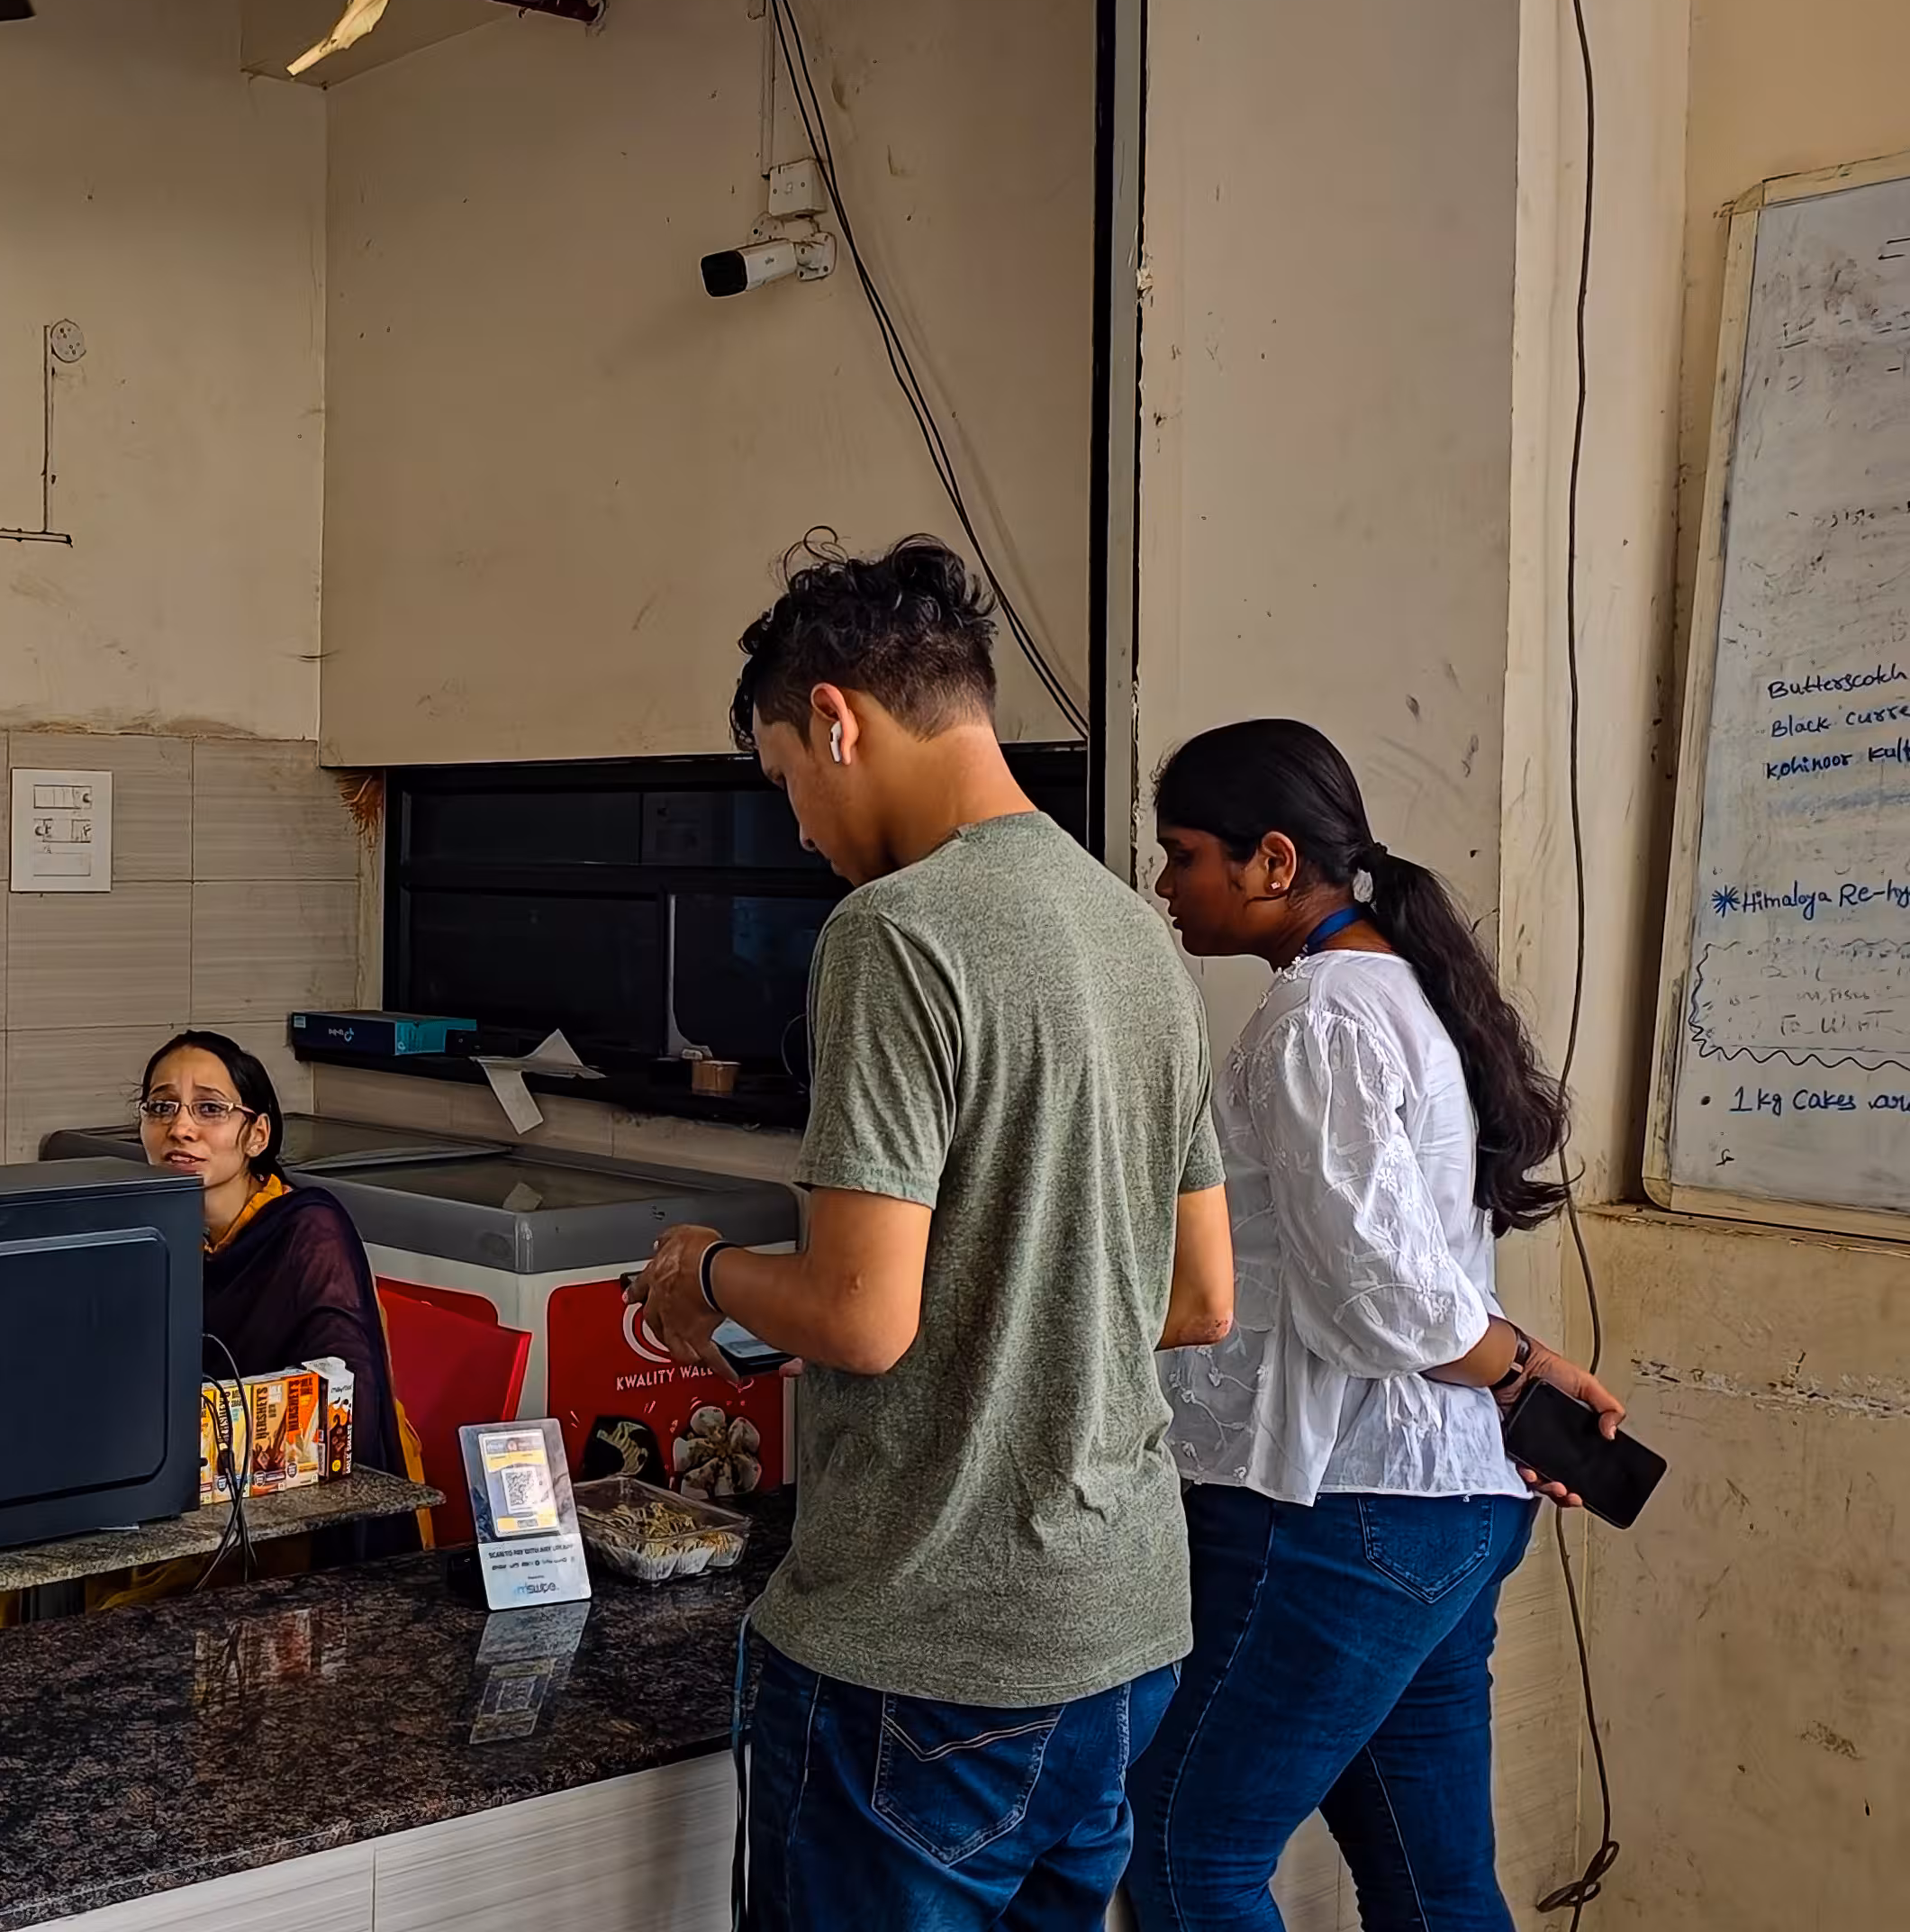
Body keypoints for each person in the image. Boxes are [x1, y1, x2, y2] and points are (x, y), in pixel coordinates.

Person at [631, 536, 1235, 1930]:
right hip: (1122, 1634)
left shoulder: (895, 933)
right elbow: (1198, 1296)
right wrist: (986, 1325)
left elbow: (863, 1316)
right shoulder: (1135, 937)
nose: (798, 827)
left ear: (836, 720)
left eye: (786, 778)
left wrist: (703, 1272)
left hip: (930, 1652)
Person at [1125, 719, 1626, 1930]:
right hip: (1443, 1506)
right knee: (1430, 1879)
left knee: (1186, 1852)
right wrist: (1519, 1372)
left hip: (1339, 1509)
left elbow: (1381, 1297)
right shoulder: (1397, 990)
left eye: (1183, 854)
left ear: (1273, 860)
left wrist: (1515, 1368)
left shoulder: (1320, 1018)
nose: (1163, 884)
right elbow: (1410, 1270)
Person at [140, 1029, 412, 1546]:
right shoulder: (150, 1232)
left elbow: (348, 1407)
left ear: (257, 1136)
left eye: (210, 1109)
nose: (180, 1128)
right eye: (162, 1106)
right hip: (180, 1485)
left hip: (294, 1505)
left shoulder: (308, 1229)